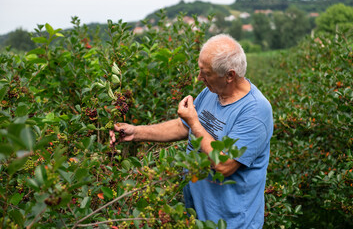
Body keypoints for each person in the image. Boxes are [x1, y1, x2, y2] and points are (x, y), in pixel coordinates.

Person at [110, 34, 273, 228]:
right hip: (197, 217)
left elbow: (224, 165)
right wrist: (135, 132)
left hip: (232, 222)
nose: (199, 78)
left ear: (230, 76)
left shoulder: (255, 111)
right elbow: (183, 126)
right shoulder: (212, 92)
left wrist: (195, 123)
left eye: (206, 73)